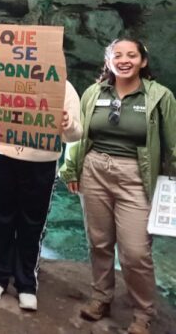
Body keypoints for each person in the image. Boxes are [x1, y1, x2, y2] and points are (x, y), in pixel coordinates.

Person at [59, 38, 176, 334]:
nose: (124, 60)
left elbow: (172, 146)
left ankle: (142, 313)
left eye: (131, 55)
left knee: (136, 251)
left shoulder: (160, 97)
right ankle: (101, 297)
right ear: (108, 61)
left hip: (137, 175)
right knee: (99, 242)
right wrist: (71, 168)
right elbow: (81, 135)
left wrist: (169, 187)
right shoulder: (93, 93)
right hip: (95, 170)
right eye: (117, 55)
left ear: (143, 61)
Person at [0, 81, 82, 311]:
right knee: (1, 218)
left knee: (32, 224)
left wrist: (67, 123)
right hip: (2, 155)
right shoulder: (6, 76)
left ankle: (26, 282)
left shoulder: (64, 87)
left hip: (41, 161)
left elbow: (75, 134)